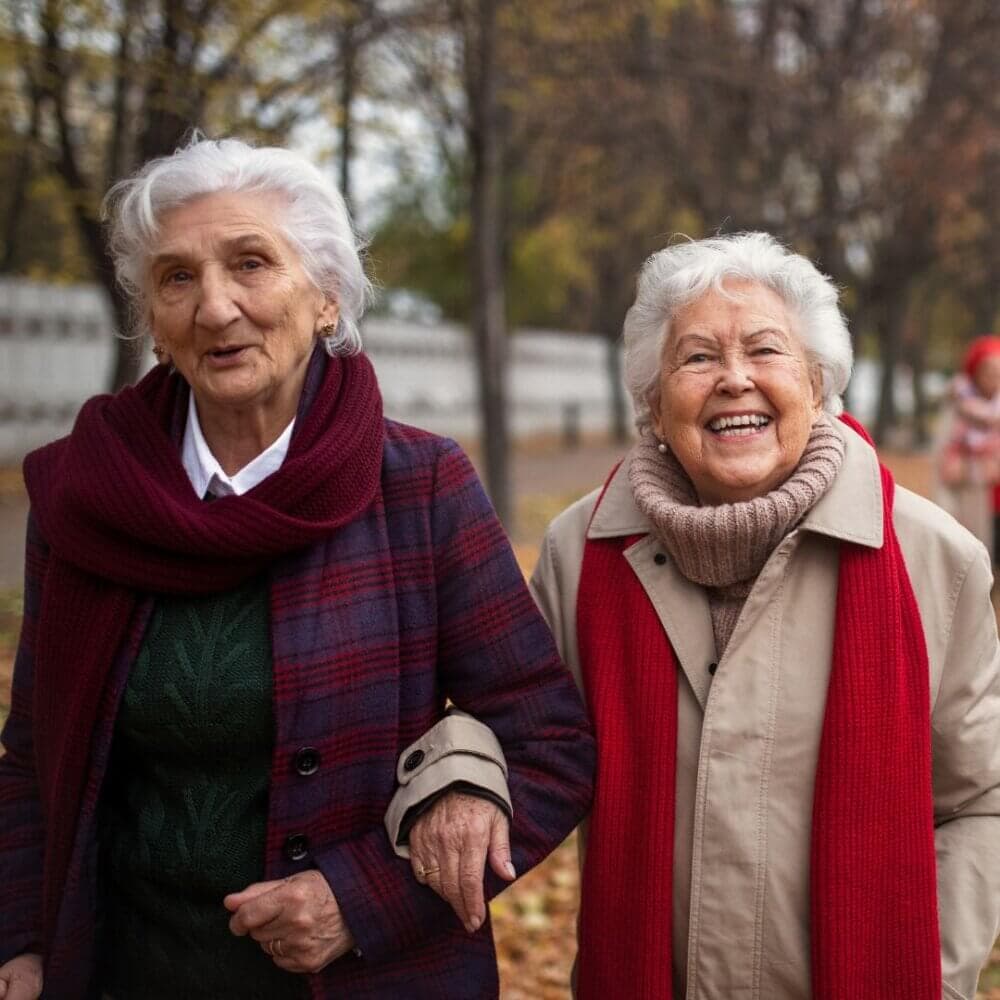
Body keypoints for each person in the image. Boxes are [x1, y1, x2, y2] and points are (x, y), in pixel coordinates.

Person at [0, 136, 595, 1000]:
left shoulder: (419, 485)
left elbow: (552, 743)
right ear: (154, 324)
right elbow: (30, 761)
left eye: (251, 264)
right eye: (176, 278)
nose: (215, 308)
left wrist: (363, 900)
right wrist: (19, 941)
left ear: (326, 298)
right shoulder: (83, 494)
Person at [397, 233, 1000, 999]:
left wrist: (932, 981)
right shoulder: (581, 553)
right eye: (698, 357)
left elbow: (978, 801)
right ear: (652, 400)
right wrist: (461, 780)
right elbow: (518, 725)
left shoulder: (933, 559)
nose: (734, 380)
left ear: (818, 382)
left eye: (766, 350)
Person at [936, 335, 1000, 564]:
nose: (994, 379)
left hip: (990, 495)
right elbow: (944, 455)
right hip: (962, 490)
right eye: (989, 372)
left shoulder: (996, 411)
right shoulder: (959, 406)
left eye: (998, 373)